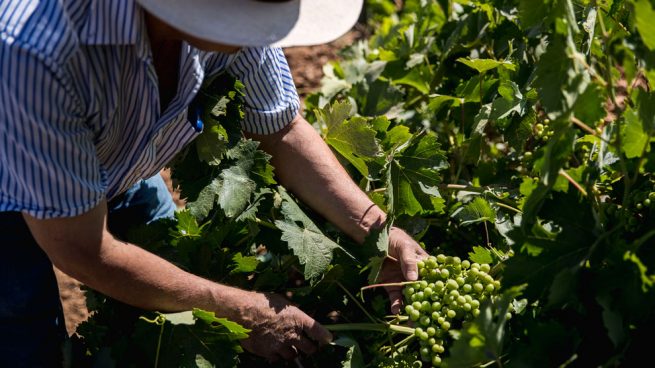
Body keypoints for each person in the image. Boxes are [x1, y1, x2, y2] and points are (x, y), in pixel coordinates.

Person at [0, 0, 427, 366]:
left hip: (116, 161)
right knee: (27, 347)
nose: (260, 30)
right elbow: (81, 247)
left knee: (174, 287)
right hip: (7, 200)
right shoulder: (34, 52)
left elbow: (279, 129)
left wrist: (377, 232)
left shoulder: (233, 15)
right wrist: (244, 313)